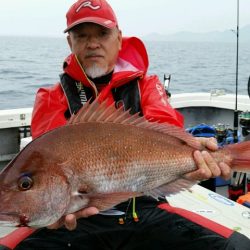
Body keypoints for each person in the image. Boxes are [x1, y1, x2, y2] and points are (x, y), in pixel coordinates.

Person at [15, 0, 250, 249]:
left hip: (144, 208)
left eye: (102, 34)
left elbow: (167, 128)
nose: (92, 43)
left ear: (119, 38)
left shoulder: (146, 86)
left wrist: (195, 155)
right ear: (70, 42)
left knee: (237, 247)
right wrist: (47, 211)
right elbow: (45, 167)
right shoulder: (50, 97)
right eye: (81, 35)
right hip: (76, 220)